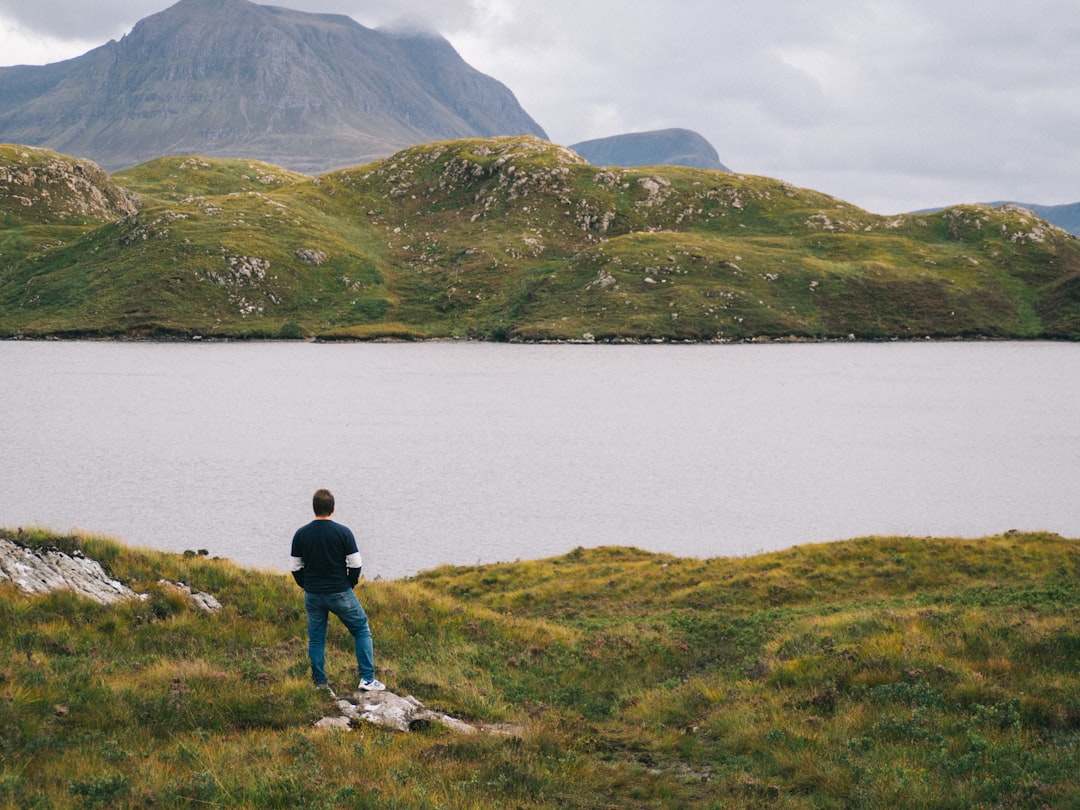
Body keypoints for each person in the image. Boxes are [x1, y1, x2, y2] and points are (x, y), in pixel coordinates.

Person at [290, 488, 385, 693]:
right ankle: (367, 679)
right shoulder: (343, 532)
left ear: (313, 508)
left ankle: (320, 684)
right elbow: (355, 564)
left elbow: (296, 567)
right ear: (333, 508)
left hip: (313, 594)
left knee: (316, 639)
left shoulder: (301, 534)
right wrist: (348, 584)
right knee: (360, 630)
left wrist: (305, 585)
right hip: (340, 591)